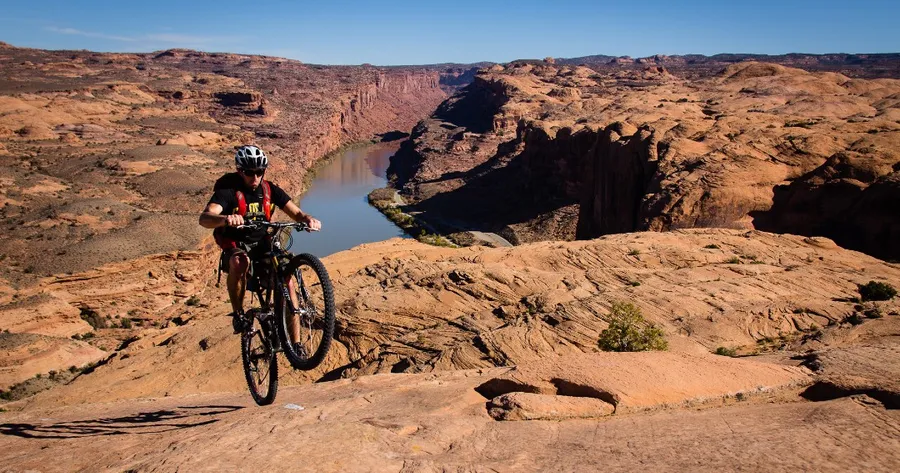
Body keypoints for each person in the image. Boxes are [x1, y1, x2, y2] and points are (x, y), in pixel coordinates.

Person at [199, 145, 321, 333]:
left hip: (263, 242)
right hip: (236, 242)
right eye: (249, 172)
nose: (255, 177)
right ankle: (238, 314)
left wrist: (308, 219)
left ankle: (296, 346)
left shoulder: (269, 189)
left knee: (286, 280)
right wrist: (225, 219)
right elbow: (205, 218)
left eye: (259, 172)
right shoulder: (228, 191)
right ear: (240, 171)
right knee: (240, 262)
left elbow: (295, 212)